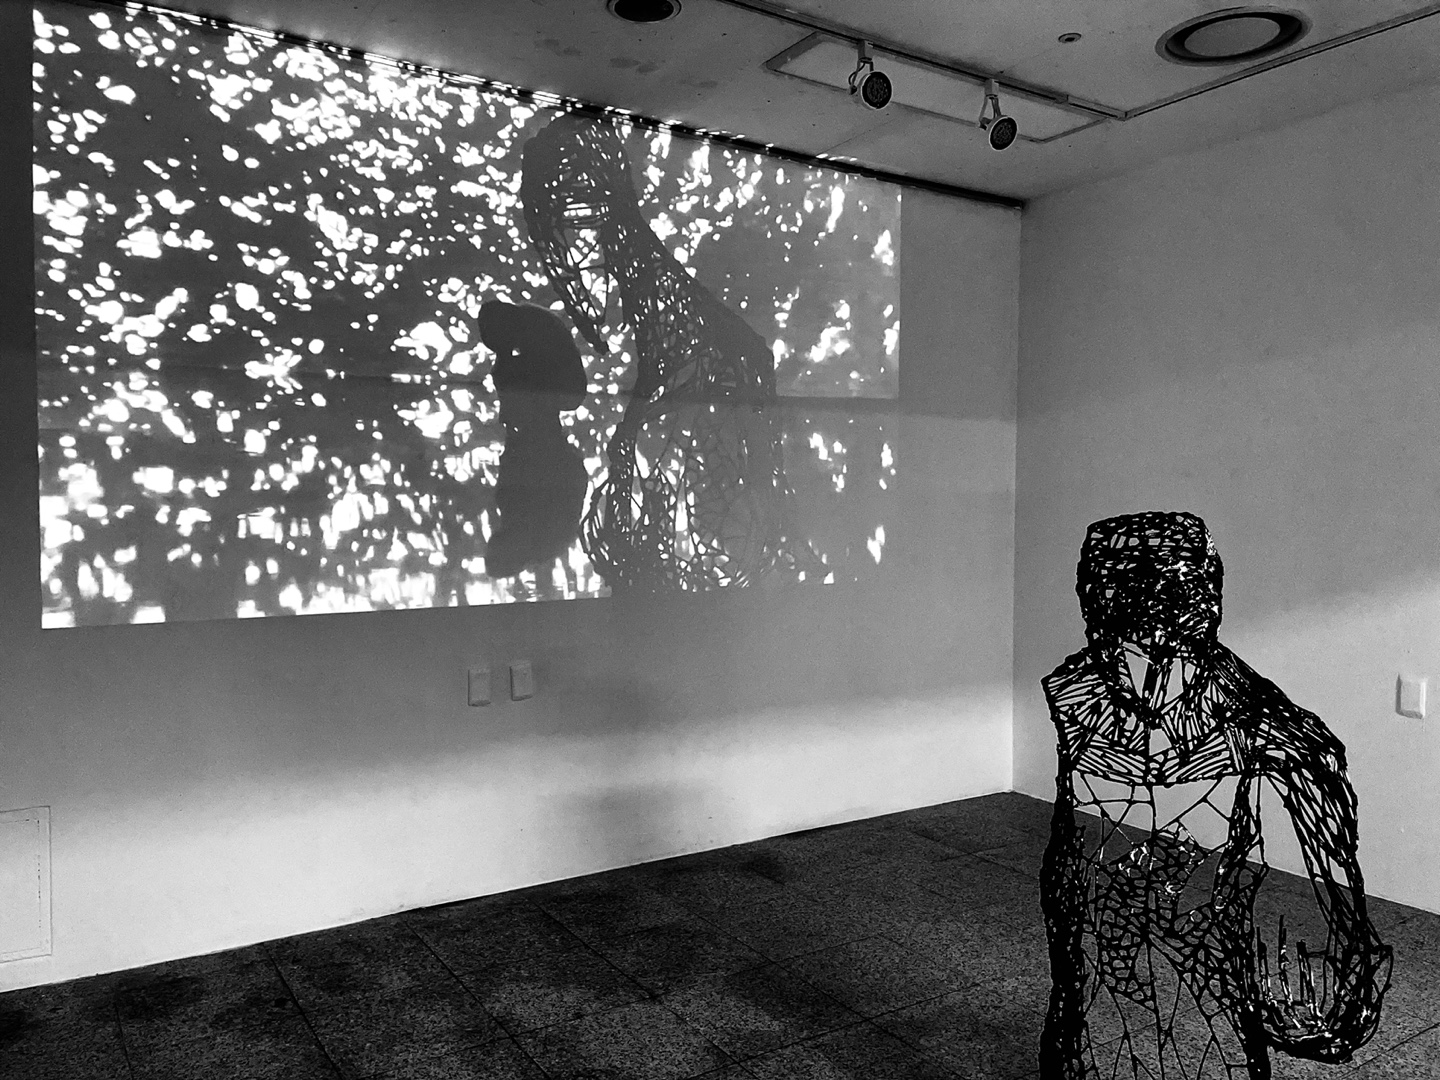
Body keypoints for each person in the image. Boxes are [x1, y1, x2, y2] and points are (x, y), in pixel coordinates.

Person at [1039, 511, 1391, 1079]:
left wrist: (1322, 1003)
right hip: (1092, 987)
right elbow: (1065, 856)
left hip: (1210, 1003)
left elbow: (1328, 905)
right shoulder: (1075, 694)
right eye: (1123, 587)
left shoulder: (1264, 729)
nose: (1149, 626)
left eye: (1168, 588)